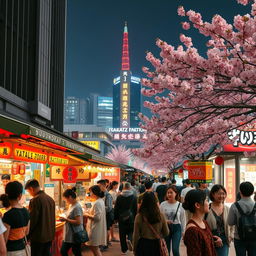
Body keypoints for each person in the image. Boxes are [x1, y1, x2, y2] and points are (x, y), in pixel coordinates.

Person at [183, 190, 221, 256]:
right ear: (197, 205)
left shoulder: (204, 222)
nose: (209, 203)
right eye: (206, 200)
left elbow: (203, 244)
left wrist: (213, 240)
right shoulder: (192, 230)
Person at [25, 179, 55, 256]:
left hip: (38, 237)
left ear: (31, 189)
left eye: (29, 191)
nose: (30, 193)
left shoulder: (35, 200)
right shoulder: (50, 199)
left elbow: (32, 220)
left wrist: (27, 236)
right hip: (49, 235)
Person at [133, 192, 169, 256]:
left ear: (143, 202)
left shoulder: (139, 216)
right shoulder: (161, 216)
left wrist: (134, 249)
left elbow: (136, 235)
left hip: (143, 245)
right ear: (155, 201)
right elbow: (166, 232)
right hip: (157, 245)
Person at [227, 181, 256, 255]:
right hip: (254, 238)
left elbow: (230, 222)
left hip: (239, 238)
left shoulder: (234, 206)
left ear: (240, 192)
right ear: (252, 192)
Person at [2, 181, 30, 255]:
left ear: (7, 195)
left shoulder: (8, 215)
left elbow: (5, 238)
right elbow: (27, 232)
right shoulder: (26, 211)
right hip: (23, 250)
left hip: (11, 251)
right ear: (20, 196)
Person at [206, 185, 233, 256]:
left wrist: (230, 235)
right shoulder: (207, 208)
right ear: (213, 194)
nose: (221, 196)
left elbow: (232, 224)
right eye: (219, 193)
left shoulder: (227, 209)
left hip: (224, 240)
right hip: (209, 239)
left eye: (223, 193)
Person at [160, 185, 186, 256]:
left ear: (176, 193)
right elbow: (160, 218)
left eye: (171, 192)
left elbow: (183, 219)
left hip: (177, 228)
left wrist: (183, 231)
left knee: (175, 249)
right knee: (166, 249)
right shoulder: (162, 204)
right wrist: (165, 221)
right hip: (166, 228)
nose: (169, 194)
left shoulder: (180, 205)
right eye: (168, 193)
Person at [114, 182, 137, 255]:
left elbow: (116, 208)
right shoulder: (134, 197)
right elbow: (135, 209)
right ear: (130, 188)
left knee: (122, 234)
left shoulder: (119, 197)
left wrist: (116, 218)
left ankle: (124, 250)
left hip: (122, 218)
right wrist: (135, 217)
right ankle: (130, 240)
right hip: (131, 218)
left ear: (123, 188)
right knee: (131, 231)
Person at [60, 188, 84, 256]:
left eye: (66, 199)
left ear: (70, 197)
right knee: (75, 251)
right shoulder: (71, 205)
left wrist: (66, 219)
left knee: (71, 251)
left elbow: (78, 222)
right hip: (70, 234)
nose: (66, 201)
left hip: (75, 234)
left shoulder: (77, 207)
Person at [84, 185, 107, 256]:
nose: (89, 194)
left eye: (90, 192)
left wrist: (86, 215)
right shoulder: (99, 201)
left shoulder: (97, 203)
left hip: (95, 229)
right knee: (94, 248)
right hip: (96, 228)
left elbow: (97, 217)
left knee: (95, 248)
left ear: (94, 192)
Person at [97, 179, 113, 250]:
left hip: (107, 214)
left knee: (106, 229)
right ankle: (103, 244)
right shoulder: (101, 194)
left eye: (99, 186)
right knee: (104, 229)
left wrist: (100, 209)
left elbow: (109, 207)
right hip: (103, 214)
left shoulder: (108, 195)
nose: (98, 187)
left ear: (104, 186)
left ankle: (105, 244)